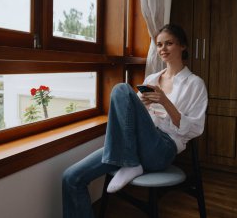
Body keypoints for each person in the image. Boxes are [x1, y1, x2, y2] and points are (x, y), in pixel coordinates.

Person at [62, 24, 208, 218]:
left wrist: (165, 101)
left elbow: (196, 128)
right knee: (71, 178)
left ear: (183, 46)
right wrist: (144, 105)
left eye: (169, 43)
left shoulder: (195, 84)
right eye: (159, 44)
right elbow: (133, 116)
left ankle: (130, 163)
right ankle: (130, 161)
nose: (162, 49)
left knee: (122, 89)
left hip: (162, 148)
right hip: (131, 144)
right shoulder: (153, 78)